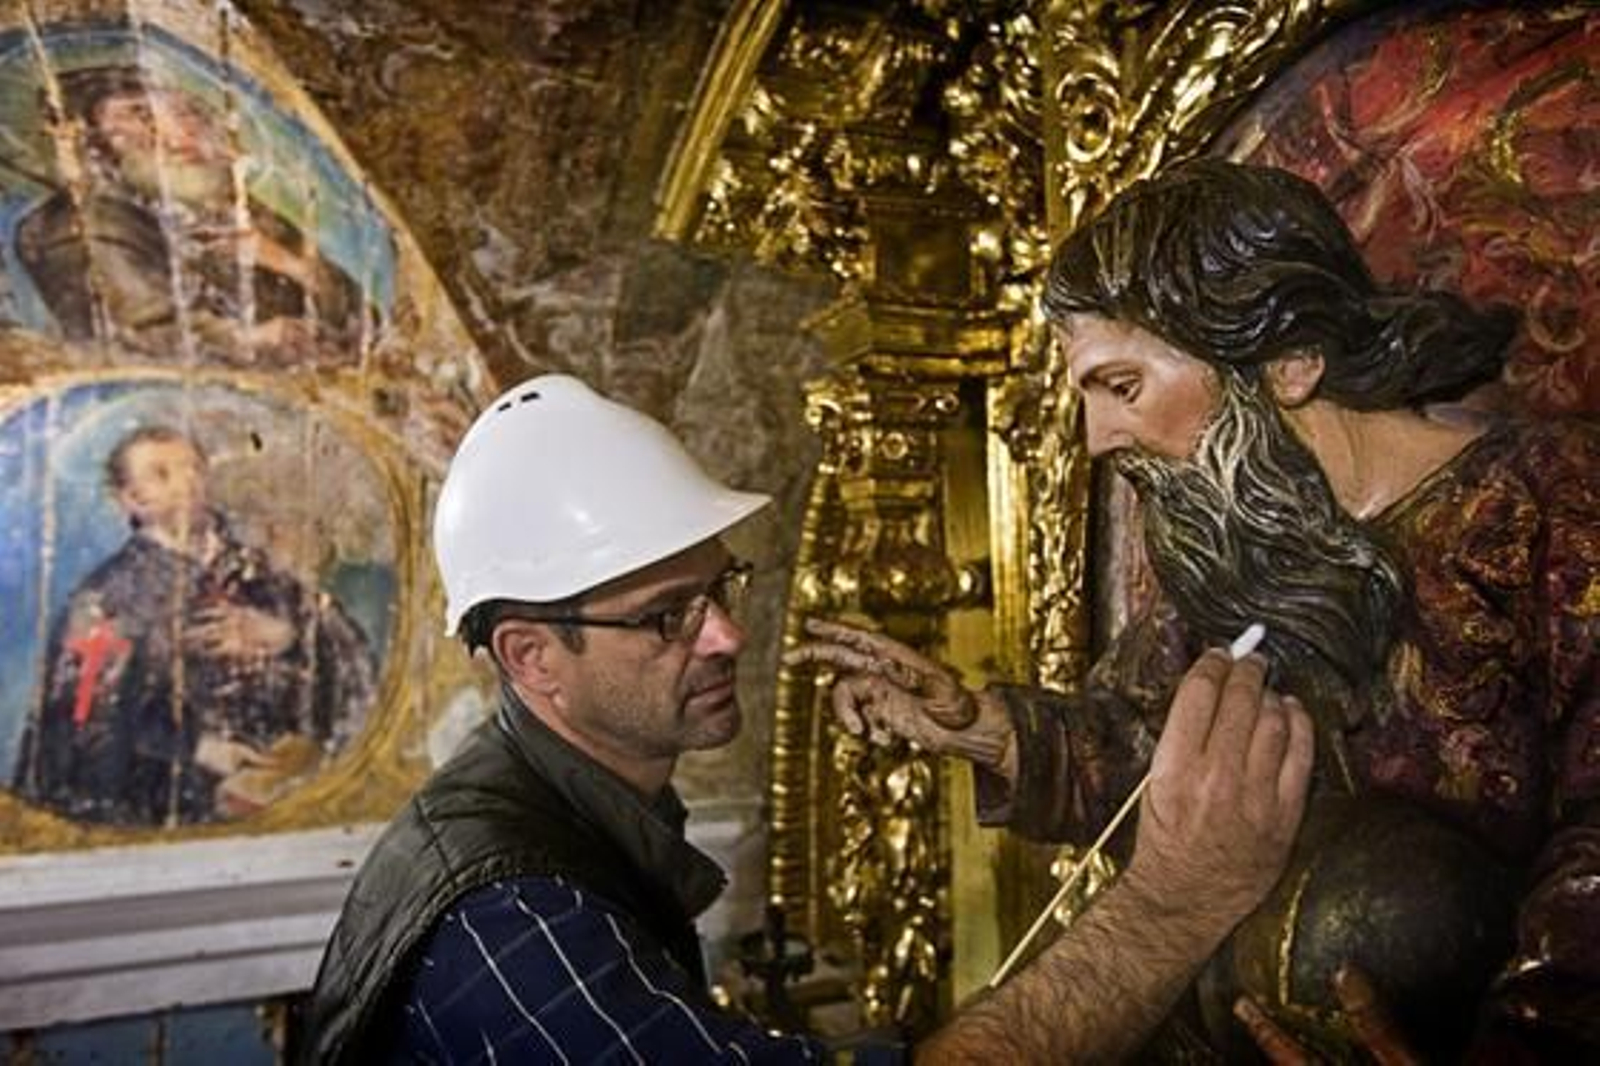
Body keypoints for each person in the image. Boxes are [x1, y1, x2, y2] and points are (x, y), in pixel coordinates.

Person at [789, 160, 1600, 1059]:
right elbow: (1154, 758)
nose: (1098, 440)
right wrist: (987, 730)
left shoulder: (1556, 506)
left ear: (1287, 363)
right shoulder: (1241, 539)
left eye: (1122, 387)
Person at [303, 373, 1314, 1064]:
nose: (727, 639)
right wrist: (1175, 901)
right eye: (667, 616)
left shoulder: (547, 811)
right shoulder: (510, 920)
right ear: (531, 655)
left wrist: (994, 733)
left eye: (718, 588)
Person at [13, 424, 375, 825]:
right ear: (131, 500)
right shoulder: (109, 599)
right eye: (163, 474)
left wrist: (286, 636)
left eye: (195, 469)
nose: (188, 483)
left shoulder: (256, 571)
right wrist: (201, 749)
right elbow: (83, 732)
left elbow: (351, 657)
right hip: (174, 804)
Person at [16, 65, 368, 366]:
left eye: (188, 115)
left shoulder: (234, 214)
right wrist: (251, 338)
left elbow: (366, 329)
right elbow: (136, 334)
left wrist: (293, 266)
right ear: (96, 140)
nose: (178, 134)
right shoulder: (86, 223)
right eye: (140, 115)